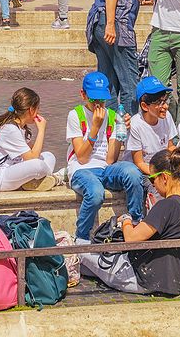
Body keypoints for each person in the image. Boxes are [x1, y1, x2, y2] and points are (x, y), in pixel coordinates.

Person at [66, 70, 144, 241]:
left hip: (105, 169)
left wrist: (121, 131)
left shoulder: (113, 116)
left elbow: (110, 160)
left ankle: (136, 222)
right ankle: (81, 237)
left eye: (102, 99)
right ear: (83, 95)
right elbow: (82, 157)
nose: (98, 104)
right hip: (82, 170)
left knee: (133, 172)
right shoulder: (75, 115)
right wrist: (94, 127)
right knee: (95, 193)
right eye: (93, 99)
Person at [115, 146, 180, 296]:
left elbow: (131, 239)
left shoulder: (167, 205)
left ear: (164, 177)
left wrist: (126, 220)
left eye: (153, 179)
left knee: (86, 257)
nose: (152, 184)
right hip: (176, 280)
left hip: (149, 279)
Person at [0, 86, 57, 192]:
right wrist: (41, 130)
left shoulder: (22, 128)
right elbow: (32, 159)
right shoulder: (10, 129)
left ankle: (32, 182)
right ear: (31, 110)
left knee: (49, 156)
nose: (39, 112)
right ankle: (55, 177)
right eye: (38, 108)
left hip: (14, 170)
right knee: (38, 164)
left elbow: (33, 152)